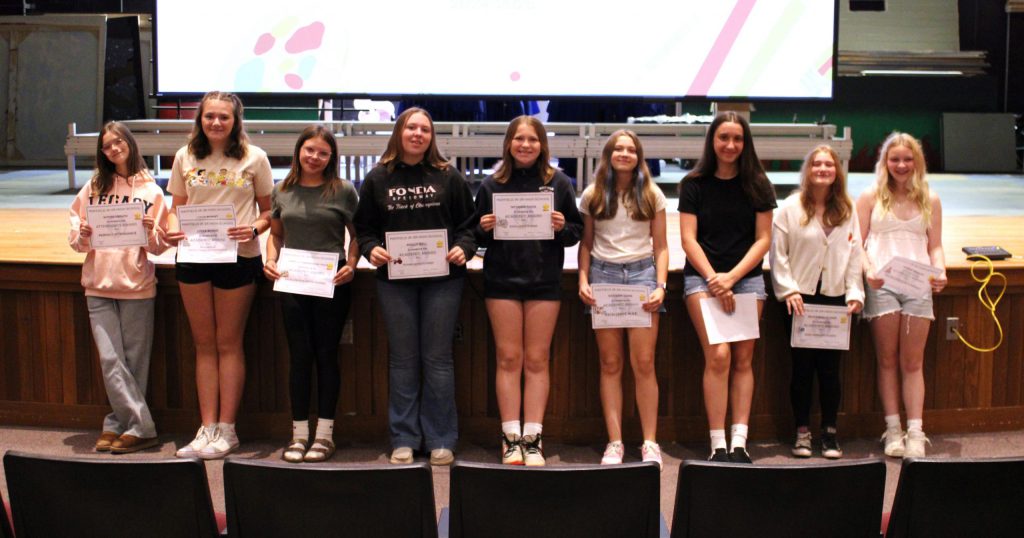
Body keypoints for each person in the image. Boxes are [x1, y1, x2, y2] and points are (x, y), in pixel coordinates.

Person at [353, 107, 476, 466]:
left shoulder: (448, 176)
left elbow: (468, 226)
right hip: (395, 282)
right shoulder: (377, 178)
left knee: (437, 360)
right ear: (399, 132)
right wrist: (369, 249)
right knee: (403, 360)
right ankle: (404, 436)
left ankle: (441, 437)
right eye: (412, 127)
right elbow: (364, 229)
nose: (418, 134)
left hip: (443, 282)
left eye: (425, 129)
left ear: (431, 136)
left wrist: (463, 248)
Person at [163, 91, 274, 459]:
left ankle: (228, 429)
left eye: (223, 117)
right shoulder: (185, 156)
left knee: (228, 343)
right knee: (203, 345)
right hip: (194, 256)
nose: (215, 122)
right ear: (200, 119)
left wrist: (255, 230)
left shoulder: (254, 158)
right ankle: (206, 428)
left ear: (235, 120)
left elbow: (269, 211)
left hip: (239, 258)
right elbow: (176, 208)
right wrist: (172, 228)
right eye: (209, 116)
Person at [475, 116, 582, 466]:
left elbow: (575, 232)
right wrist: (484, 227)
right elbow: (475, 237)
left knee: (536, 360)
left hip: (543, 281)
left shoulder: (559, 183)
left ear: (541, 145)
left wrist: (564, 225)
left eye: (532, 140)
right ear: (508, 143)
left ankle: (533, 438)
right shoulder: (491, 185)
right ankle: (510, 439)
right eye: (519, 139)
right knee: (509, 359)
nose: (525, 145)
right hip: (502, 282)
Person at [678, 112, 776, 463]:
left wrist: (732, 278)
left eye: (737, 139)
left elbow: (764, 240)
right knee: (718, 356)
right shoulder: (693, 183)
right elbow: (688, 240)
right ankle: (717, 442)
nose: (730, 145)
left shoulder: (759, 184)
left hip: (745, 278)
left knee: (743, 358)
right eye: (724, 138)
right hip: (702, 278)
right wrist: (715, 280)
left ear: (745, 143)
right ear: (712, 141)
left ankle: (740, 441)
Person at [69, 121, 169, 454]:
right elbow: (77, 242)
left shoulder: (152, 191)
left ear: (129, 143)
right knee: (111, 361)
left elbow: (157, 247)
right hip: (98, 283)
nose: (113, 149)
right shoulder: (93, 187)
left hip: (136, 284)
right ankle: (142, 426)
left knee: (133, 365)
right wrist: (82, 234)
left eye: (118, 142)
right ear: (102, 152)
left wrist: (149, 231)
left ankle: (116, 423)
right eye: (107, 145)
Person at [263, 125, 359, 463]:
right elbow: (276, 235)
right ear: (298, 152)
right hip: (292, 281)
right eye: (309, 150)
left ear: (331, 157)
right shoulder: (282, 190)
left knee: (326, 355)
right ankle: (299, 434)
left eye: (322, 152)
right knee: (300, 356)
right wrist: (270, 260)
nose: (315, 157)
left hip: (331, 282)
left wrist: (352, 263)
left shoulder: (343, 190)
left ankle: (325, 436)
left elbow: (357, 235)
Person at [578, 130, 667, 468]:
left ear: (638, 156)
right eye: (619, 148)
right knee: (610, 364)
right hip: (605, 278)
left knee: (643, 364)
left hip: (643, 277)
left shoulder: (652, 194)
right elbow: (586, 243)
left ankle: (649, 442)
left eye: (631, 149)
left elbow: (660, 245)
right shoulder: (593, 194)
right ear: (609, 155)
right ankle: (614, 443)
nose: (625, 154)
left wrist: (661, 285)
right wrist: (583, 279)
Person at [770, 145, 864, 459]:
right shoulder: (790, 207)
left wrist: (855, 293)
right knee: (801, 369)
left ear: (837, 171)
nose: (823, 169)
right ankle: (801, 432)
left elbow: (855, 255)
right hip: (799, 299)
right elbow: (778, 254)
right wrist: (789, 290)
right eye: (817, 164)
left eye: (829, 165)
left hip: (836, 299)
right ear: (808, 170)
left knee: (829, 371)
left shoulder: (847, 209)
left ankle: (830, 432)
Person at [856, 132, 946, 458]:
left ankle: (916, 432)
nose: (902, 165)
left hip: (918, 283)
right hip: (882, 283)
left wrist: (942, 270)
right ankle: (893, 429)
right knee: (887, 360)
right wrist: (868, 270)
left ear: (917, 162)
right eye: (895, 159)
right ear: (885, 162)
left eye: (908, 159)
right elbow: (857, 242)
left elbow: (935, 246)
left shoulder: (930, 199)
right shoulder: (869, 196)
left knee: (912, 362)